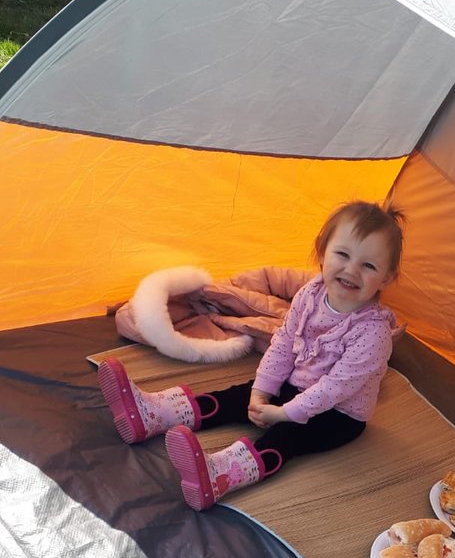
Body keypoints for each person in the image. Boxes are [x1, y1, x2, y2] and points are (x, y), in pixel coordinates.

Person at [98, 200, 404, 510]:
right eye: (343, 254)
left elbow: (335, 389)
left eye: (369, 266)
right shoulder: (310, 295)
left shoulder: (373, 333)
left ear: (387, 278)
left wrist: (284, 413)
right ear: (322, 252)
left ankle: (220, 475)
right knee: (238, 396)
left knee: (288, 435)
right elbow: (283, 343)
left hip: (339, 414)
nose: (351, 270)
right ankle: (155, 413)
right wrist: (261, 392)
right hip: (297, 385)